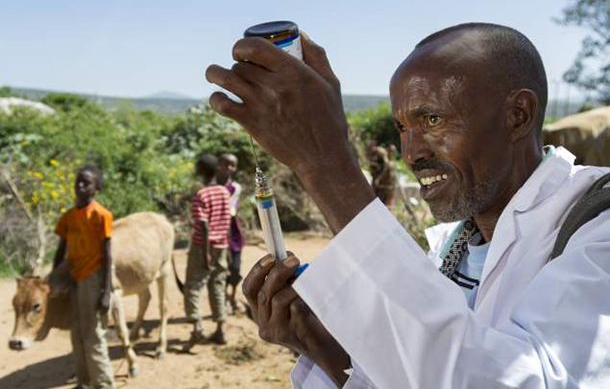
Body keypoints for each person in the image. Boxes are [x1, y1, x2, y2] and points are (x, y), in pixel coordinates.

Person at [205, 23, 610, 388]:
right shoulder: (453, 249)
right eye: (402, 127)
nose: (411, 153)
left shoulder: (597, 227)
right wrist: (324, 348)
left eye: (432, 120)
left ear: (518, 115)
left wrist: (326, 165)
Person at [53, 165, 115, 389]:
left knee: (93, 335)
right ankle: (84, 382)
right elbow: (61, 250)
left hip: (93, 278)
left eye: (86, 183)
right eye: (78, 181)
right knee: (77, 333)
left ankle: (104, 383)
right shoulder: (68, 217)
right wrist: (55, 279)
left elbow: (108, 256)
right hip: (73, 278)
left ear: (96, 188)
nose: (80, 186)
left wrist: (106, 291)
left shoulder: (101, 215)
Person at [183, 154, 232, 347]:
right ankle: (221, 329)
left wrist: (205, 253)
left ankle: (197, 329)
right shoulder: (224, 192)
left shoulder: (201, 195)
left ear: (201, 171)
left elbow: (203, 226)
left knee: (193, 285)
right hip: (221, 244)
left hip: (203, 246)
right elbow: (227, 221)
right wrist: (225, 247)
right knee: (217, 284)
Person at [216, 153, 246, 313]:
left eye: (232, 165)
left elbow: (230, 209)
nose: (228, 168)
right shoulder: (211, 186)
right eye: (225, 164)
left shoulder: (235, 188)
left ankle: (233, 296)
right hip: (217, 232)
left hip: (232, 233)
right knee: (220, 268)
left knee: (235, 267)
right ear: (218, 165)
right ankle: (224, 299)